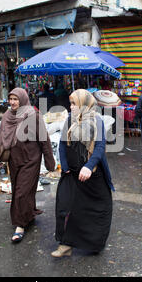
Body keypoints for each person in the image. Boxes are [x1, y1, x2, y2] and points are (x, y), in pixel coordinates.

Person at [0, 88, 55, 243]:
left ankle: (20, 225)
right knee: (20, 189)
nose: (12, 102)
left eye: (15, 99)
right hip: (14, 161)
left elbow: (44, 139)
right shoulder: (7, 115)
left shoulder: (33, 116)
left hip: (31, 160)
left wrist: (50, 162)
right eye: (10, 99)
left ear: (23, 99)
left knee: (22, 192)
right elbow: (0, 137)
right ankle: (28, 215)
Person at [52, 89, 114, 258]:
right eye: (70, 103)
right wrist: (64, 165)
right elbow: (63, 144)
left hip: (93, 176)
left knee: (95, 209)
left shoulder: (97, 121)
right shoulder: (69, 121)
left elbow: (100, 147)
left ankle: (94, 243)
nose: (70, 107)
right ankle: (65, 245)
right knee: (65, 206)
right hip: (71, 173)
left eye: (74, 103)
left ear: (84, 104)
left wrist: (89, 166)